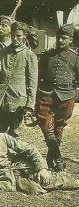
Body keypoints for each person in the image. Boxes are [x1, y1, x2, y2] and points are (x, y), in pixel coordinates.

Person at [0, 116, 79, 194]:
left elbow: (30, 149)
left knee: (46, 179)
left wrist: (42, 168)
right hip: (6, 176)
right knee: (35, 189)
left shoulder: (3, 138)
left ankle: (75, 182)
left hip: (20, 166)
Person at [36, 24, 79, 172]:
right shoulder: (47, 55)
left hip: (66, 97)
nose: (60, 40)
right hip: (46, 95)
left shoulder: (75, 57)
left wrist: (75, 92)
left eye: (64, 38)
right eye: (59, 37)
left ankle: (50, 158)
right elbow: (39, 74)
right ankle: (58, 158)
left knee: (59, 126)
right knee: (44, 123)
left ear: (70, 40)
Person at [0, 21, 38, 138]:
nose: (15, 39)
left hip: (17, 100)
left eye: (18, 36)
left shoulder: (29, 55)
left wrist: (30, 105)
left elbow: (32, 82)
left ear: (24, 36)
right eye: (13, 36)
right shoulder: (1, 52)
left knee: (14, 132)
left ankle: (13, 155)